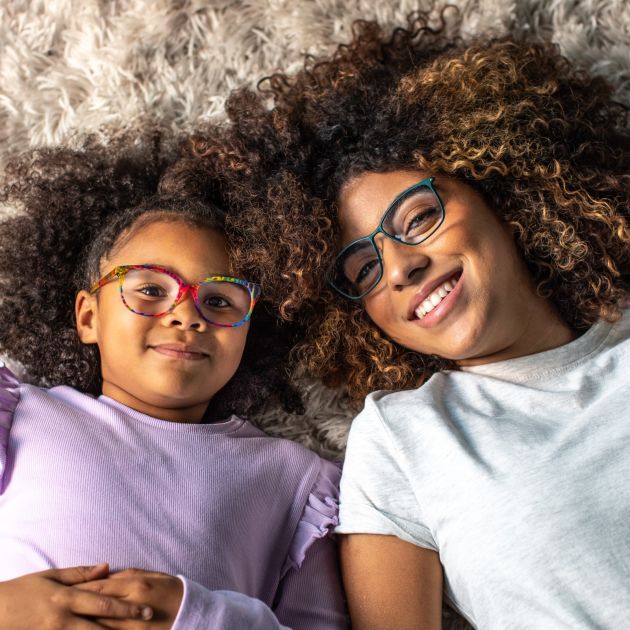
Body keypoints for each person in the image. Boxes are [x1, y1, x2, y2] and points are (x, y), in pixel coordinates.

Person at [203, 12, 630, 630]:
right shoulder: (403, 440)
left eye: (419, 216)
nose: (399, 267)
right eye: (363, 270)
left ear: (500, 190)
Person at [0, 132, 347, 629]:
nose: (187, 314)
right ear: (88, 317)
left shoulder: (294, 483)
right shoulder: (18, 417)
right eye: (149, 289)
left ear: (250, 330)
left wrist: (199, 616)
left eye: (221, 299)